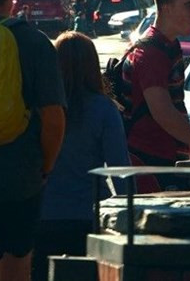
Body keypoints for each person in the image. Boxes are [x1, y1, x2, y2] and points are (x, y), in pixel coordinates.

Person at [0, 0, 66, 281]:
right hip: (19, 175)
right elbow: (53, 118)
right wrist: (45, 166)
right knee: (17, 261)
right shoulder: (35, 44)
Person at [33, 32, 129, 281]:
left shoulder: (38, 107)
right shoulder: (105, 110)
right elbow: (121, 172)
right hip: (88, 218)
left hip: (40, 215)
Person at [122, 0, 190, 190]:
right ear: (166, 7)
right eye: (189, 6)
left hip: (163, 158)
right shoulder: (150, 52)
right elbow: (163, 113)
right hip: (148, 161)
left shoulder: (169, 45)